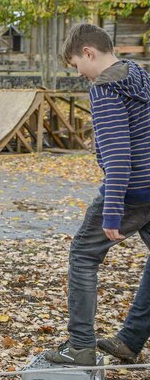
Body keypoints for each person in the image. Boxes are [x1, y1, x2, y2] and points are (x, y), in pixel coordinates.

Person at [44, 24, 150, 366]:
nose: (79, 73)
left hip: (133, 189)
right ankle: (130, 340)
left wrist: (113, 209)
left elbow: (119, 154)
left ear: (89, 52)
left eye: (76, 64)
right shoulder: (139, 74)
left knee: (83, 256)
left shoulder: (105, 87)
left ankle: (79, 347)